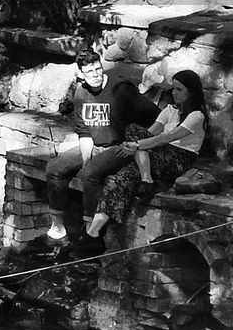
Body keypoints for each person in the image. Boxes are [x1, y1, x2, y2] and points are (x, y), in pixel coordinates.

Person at [42, 50, 160, 245]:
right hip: (94, 144)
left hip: (120, 146)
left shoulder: (120, 88)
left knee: (90, 173)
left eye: (98, 69)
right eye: (90, 72)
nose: (96, 75)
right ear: (81, 74)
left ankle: (90, 231)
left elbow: (154, 115)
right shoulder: (80, 93)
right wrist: (86, 159)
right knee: (55, 168)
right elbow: (84, 132)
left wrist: (140, 143)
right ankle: (58, 228)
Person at [87, 70, 207, 236]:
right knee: (119, 178)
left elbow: (168, 137)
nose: (174, 93)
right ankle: (93, 232)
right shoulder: (169, 110)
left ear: (191, 91)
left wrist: (135, 145)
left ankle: (146, 178)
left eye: (179, 89)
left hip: (180, 157)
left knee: (133, 130)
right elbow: (150, 133)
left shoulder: (197, 115)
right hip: (155, 156)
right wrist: (132, 145)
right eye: (173, 89)